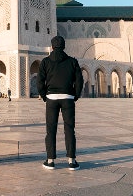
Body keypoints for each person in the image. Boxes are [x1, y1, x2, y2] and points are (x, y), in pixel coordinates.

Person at [38, 35, 84, 171]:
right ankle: (72, 160)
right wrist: (75, 95)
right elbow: (79, 81)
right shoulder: (72, 61)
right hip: (68, 98)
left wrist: (44, 96)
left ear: (52, 47)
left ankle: (50, 160)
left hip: (51, 98)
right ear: (64, 46)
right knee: (69, 129)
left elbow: (40, 82)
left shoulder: (45, 62)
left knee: (50, 129)